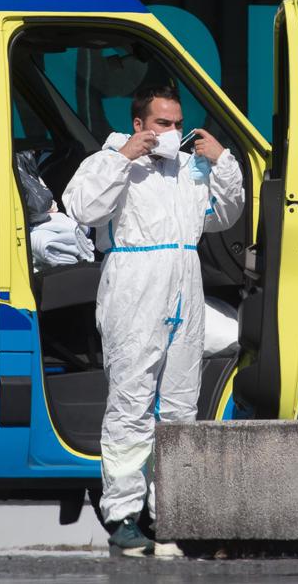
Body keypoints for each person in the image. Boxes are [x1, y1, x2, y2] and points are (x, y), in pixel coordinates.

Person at [62, 84, 244, 556]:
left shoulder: (188, 169)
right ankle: (123, 515)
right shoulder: (109, 160)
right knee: (131, 402)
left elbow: (225, 215)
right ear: (140, 124)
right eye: (163, 123)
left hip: (184, 283)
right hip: (134, 285)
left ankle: (172, 513)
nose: (173, 132)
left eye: (178, 124)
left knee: (181, 404)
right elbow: (82, 207)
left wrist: (222, 161)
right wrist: (126, 155)